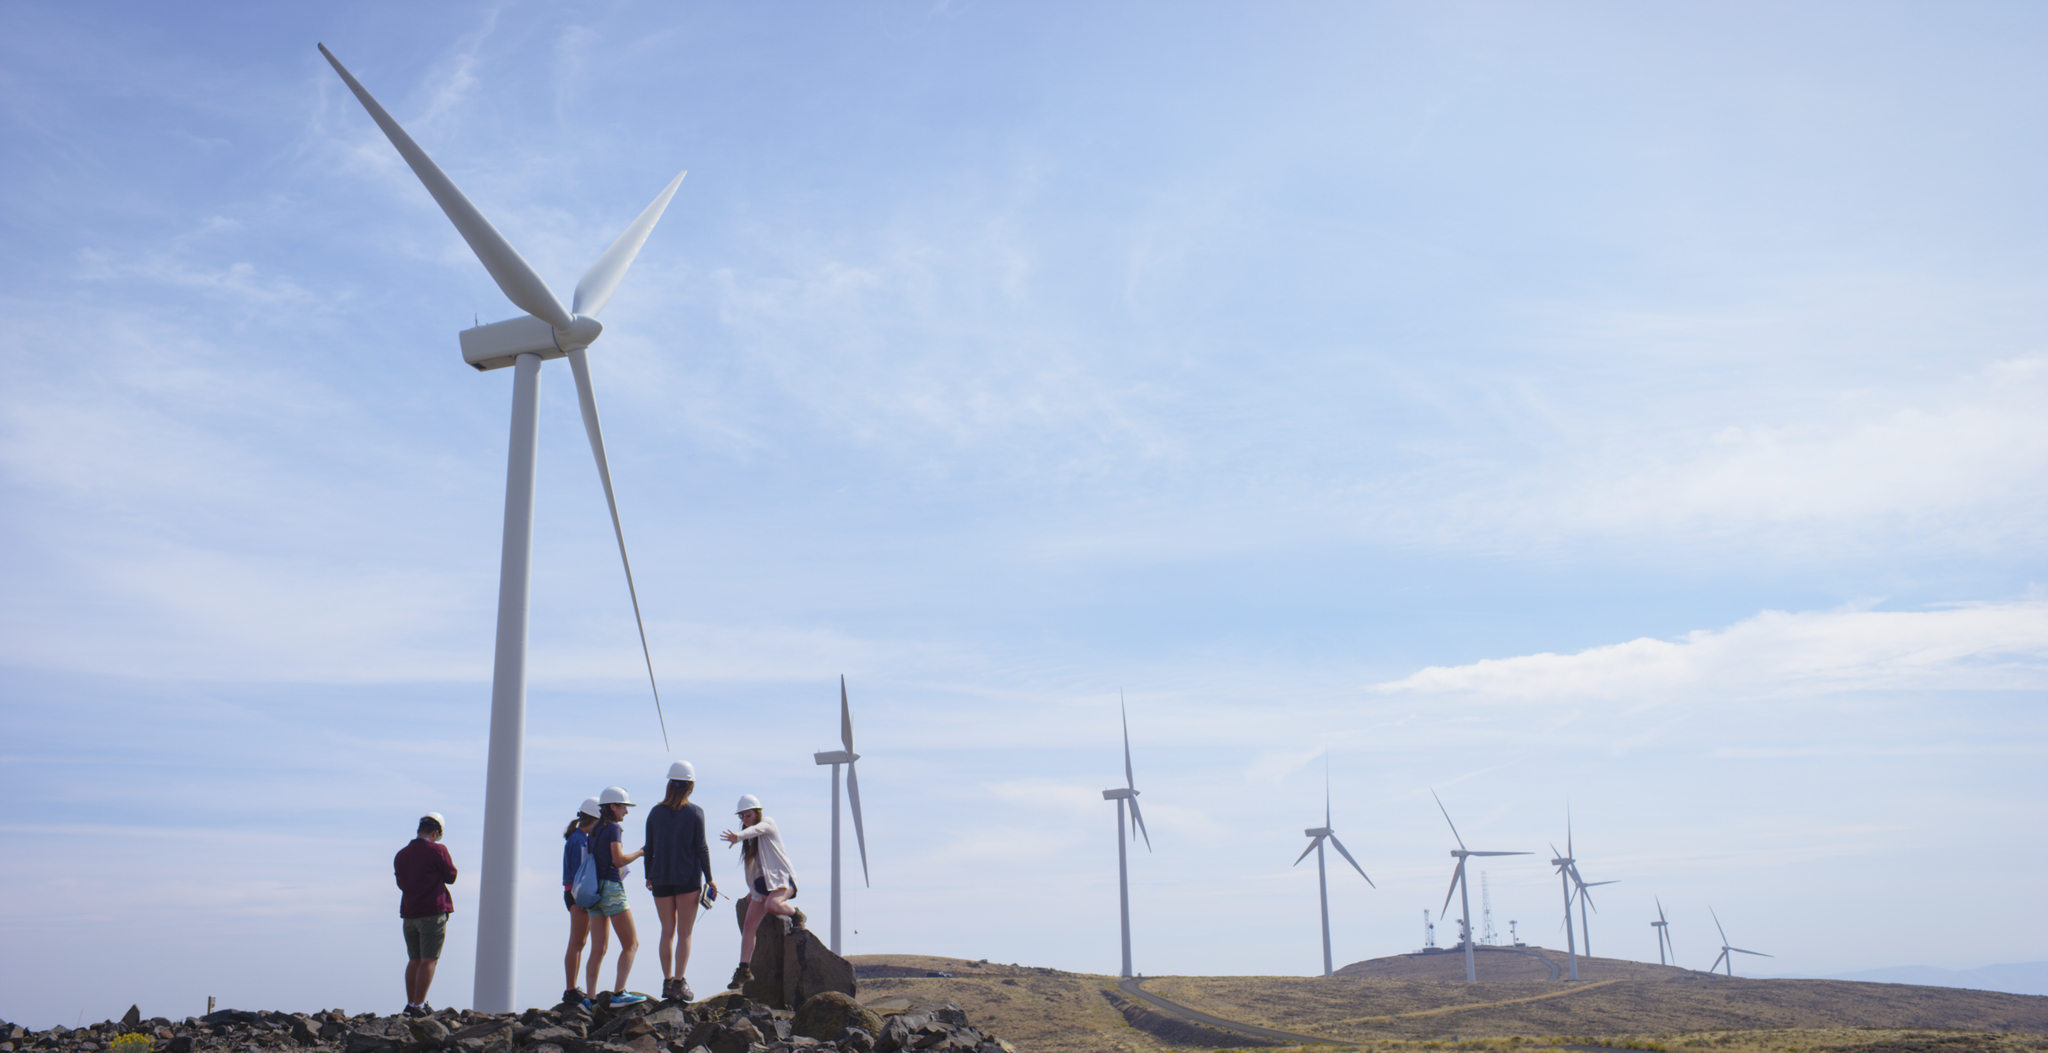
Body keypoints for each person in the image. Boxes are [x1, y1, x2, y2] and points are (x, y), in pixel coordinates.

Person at [643, 761, 717, 1002]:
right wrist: (710, 878)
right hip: (687, 879)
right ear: (690, 787)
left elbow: (650, 848)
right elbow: (701, 848)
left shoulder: (655, 813)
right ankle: (678, 983)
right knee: (685, 932)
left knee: (667, 931)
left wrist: (648, 875)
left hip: (661, 879)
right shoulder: (695, 813)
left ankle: (666, 982)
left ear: (669, 784)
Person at [719, 794, 803, 991]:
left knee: (773, 905)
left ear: (757, 812)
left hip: (782, 880)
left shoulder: (767, 824)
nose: (744, 819)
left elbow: (757, 830)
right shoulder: (749, 840)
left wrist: (738, 836)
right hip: (763, 886)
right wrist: (752, 891)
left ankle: (797, 915)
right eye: (741, 817)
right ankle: (744, 969)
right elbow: (753, 868)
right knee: (749, 926)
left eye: (747, 815)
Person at [393, 812, 458, 1018]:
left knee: (414, 959)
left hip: (409, 912)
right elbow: (451, 876)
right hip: (432, 911)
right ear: (436, 832)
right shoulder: (438, 850)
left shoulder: (401, 854)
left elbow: (401, 883)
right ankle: (418, 1005)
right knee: (429, 960)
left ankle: (411, 1002)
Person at [588, 785, 648, 1006]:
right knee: (631, 943)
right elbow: (618, 860)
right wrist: (641, 853)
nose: (626, 812)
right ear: (613, 806)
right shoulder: (613, 828)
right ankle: (619, 993)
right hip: (611, 888)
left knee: (597, 948)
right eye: (624, 807)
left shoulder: (594, 829)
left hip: (594, 892)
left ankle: (590, 998)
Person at [561, 797, 603, 1007]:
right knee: (577, 942)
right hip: (578, 895)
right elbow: (581, 874)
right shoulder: (579, 840)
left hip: (574, 894)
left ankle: (572, 988)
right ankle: (570, 989)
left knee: (579, 942)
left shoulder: (578, 837)